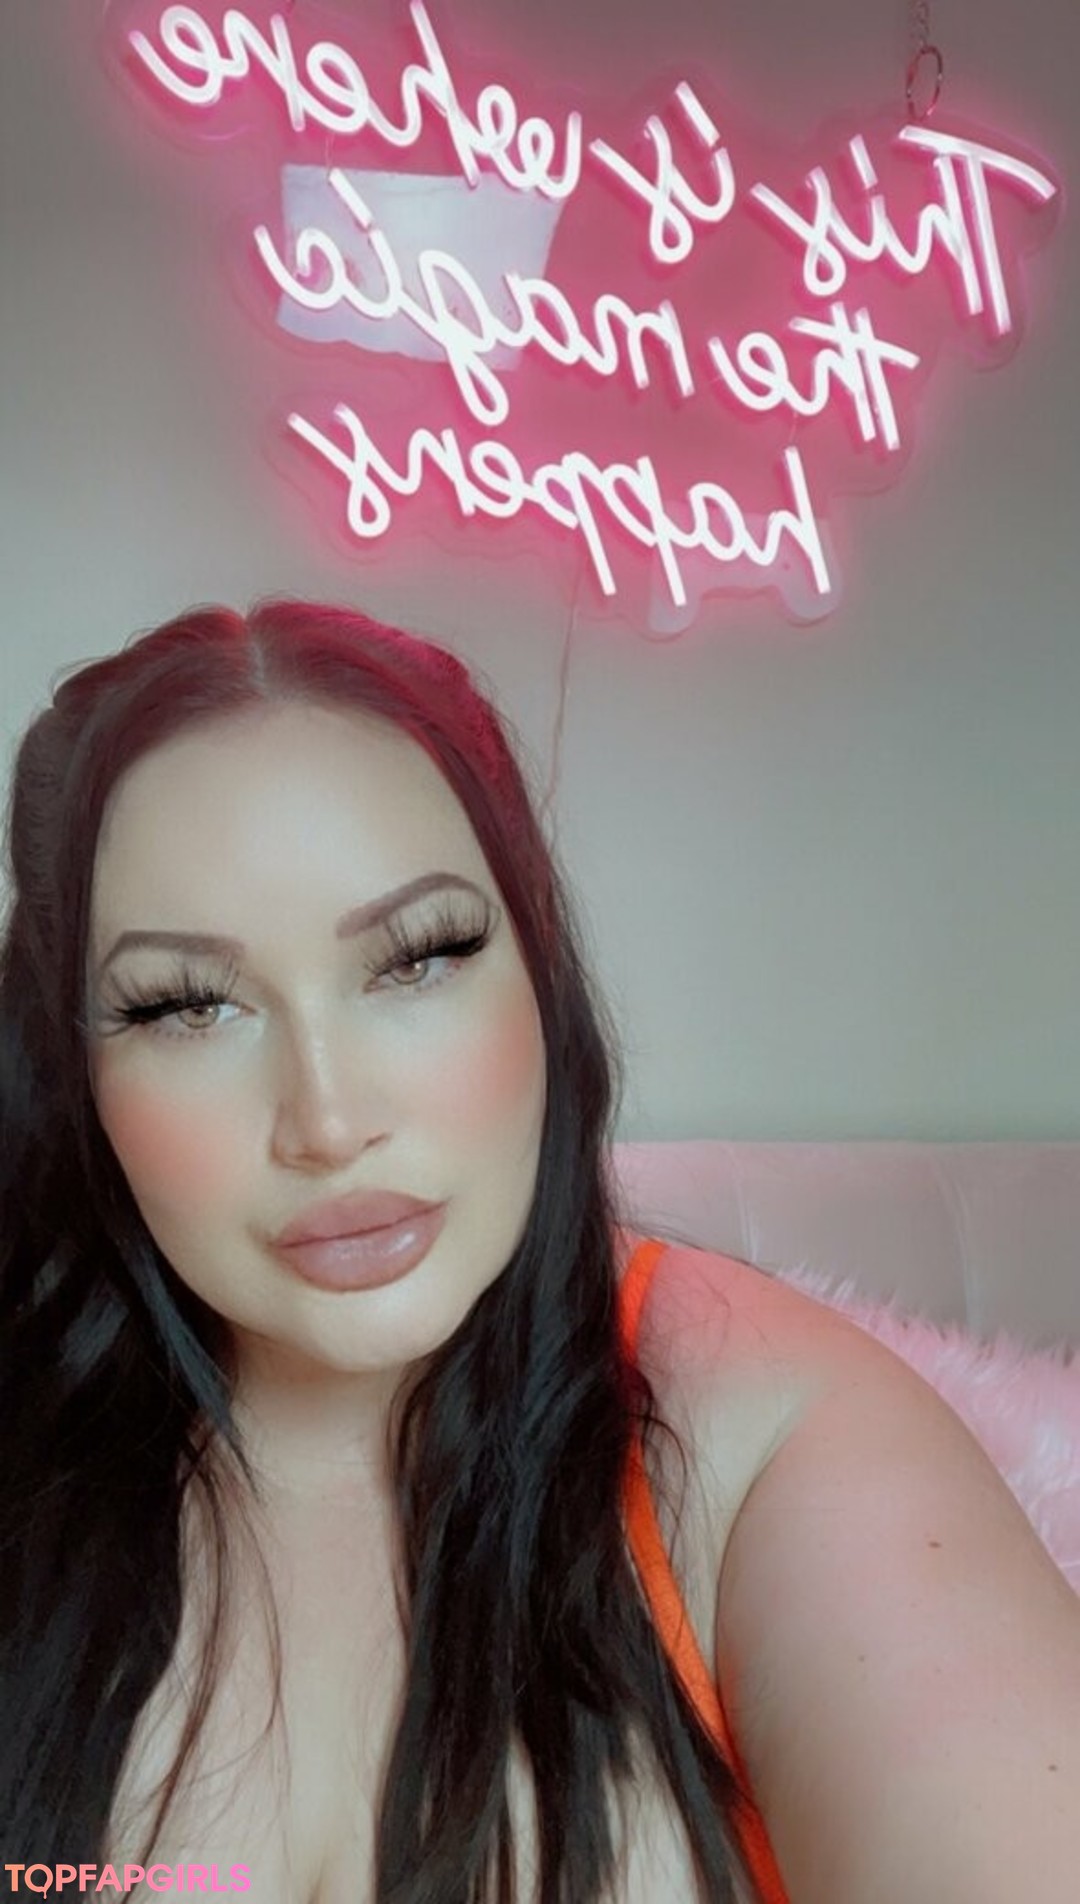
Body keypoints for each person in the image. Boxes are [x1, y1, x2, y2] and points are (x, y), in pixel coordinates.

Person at [2, 598, 1079, 1904]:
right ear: (75, 1066)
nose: (329, 1121)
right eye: (186, 1004)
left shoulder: (775, 1441)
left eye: (419, 957)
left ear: (539, 968)